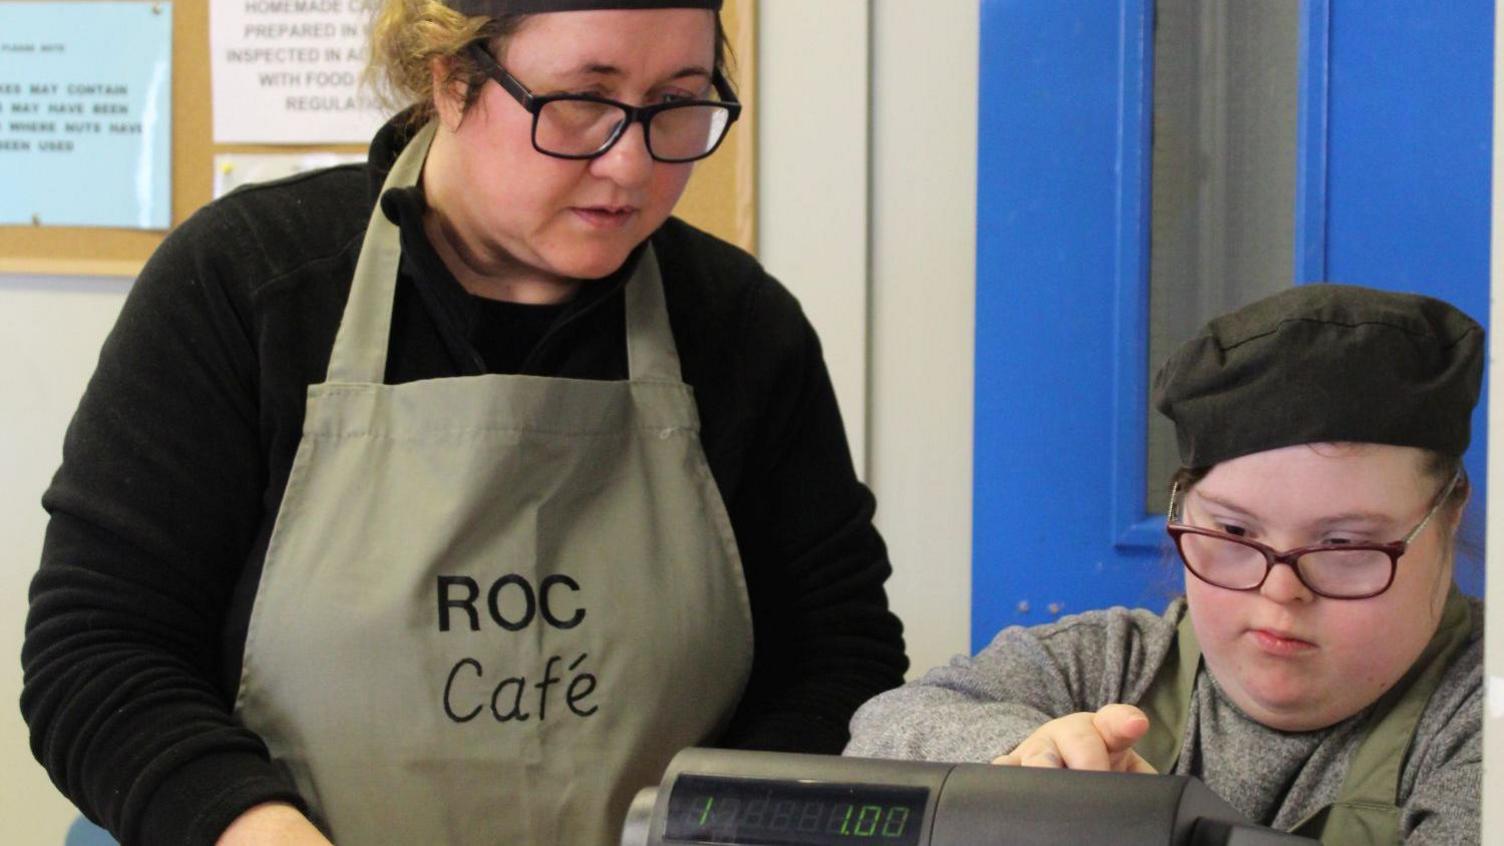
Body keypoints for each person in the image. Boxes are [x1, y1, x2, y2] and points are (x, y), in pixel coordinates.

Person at [20, 2, 908, 844]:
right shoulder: (249, 288)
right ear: (451, 79)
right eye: (584, 101)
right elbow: (98, 652)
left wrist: (720, 828)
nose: (630, 165)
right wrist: (249, 825)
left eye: (676, 104)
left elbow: (840, 654)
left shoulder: (740, 328)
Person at [845, 283, 1484, 844]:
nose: (1282, 591)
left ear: (1449, 514)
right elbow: (887, 729)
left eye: (1343, 546)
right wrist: (1031, 765)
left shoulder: (1481, 720)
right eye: (1234, 530)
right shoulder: (1108, 665)